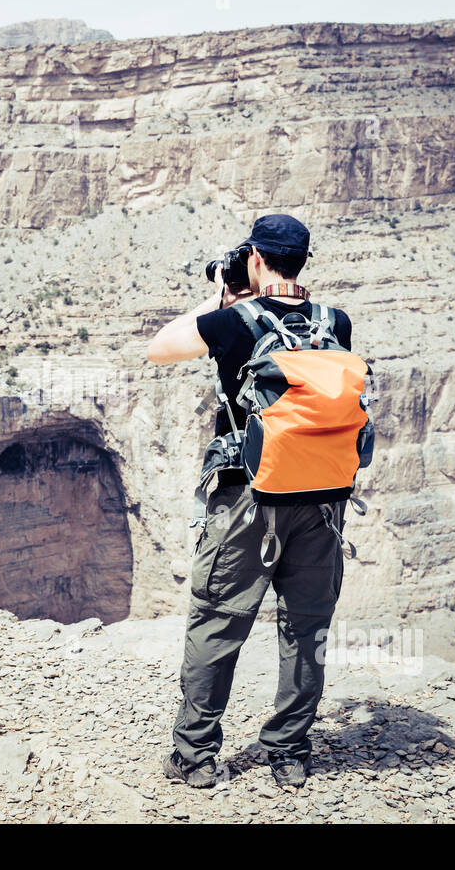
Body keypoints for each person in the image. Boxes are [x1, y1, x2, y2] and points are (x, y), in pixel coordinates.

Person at [145, 214, 353, 791]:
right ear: (301, 261)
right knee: (307, 628)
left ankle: (194, 756)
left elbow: (158, 350)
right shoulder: (335, 321)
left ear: (256, 259)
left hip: (247, 500)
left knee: (218, 623)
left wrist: (220, 296)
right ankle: (288, 752)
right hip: (322, 503)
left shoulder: (234, 322)